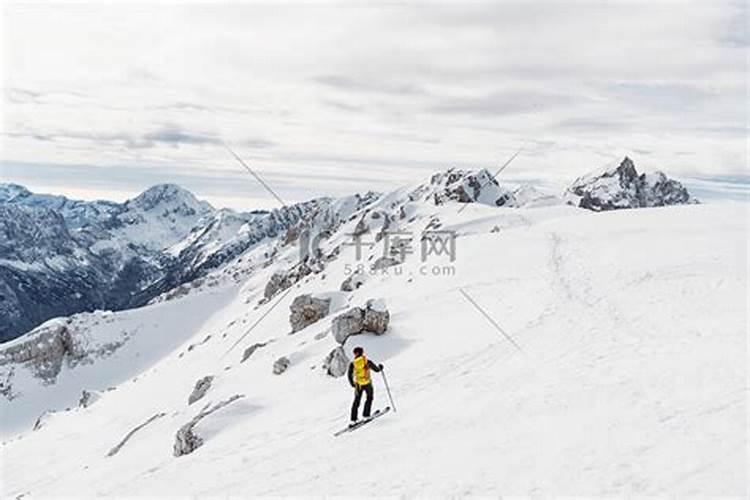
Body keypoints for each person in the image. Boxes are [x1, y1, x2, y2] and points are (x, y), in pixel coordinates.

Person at [347, 346, 383, 425]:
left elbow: (349, 374)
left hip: (358, 385)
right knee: (369, 398)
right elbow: (376, 370)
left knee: (356, 401)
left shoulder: (353, 364)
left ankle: (353, 420)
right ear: (362, 352)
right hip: (367, 383)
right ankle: (366, 415)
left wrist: (352, 384)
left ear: (355, 353)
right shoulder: (366, 361)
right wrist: (380, 368)